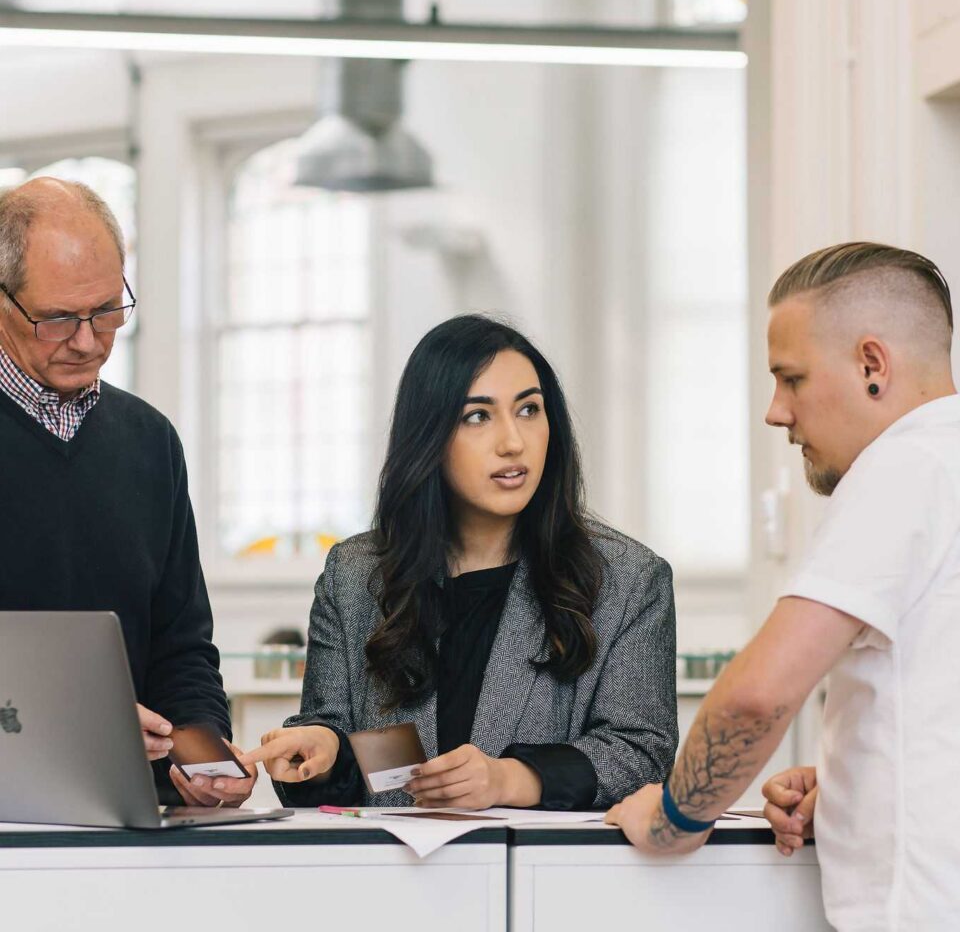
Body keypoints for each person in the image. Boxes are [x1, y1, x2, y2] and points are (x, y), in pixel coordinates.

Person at [605, 242, 960, 931]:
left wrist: (671, 821)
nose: (776, 411)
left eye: (791, 379)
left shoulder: (902, 467)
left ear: (871, 365)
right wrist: (854, 785)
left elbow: (757, 697)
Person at [243, 315, 677, 810]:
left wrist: (509, 779)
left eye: (529, 410)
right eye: (478, 416)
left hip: (533, 858)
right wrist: (320, 749)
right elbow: (340, 752)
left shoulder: (629, 580)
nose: (513, 442)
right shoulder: (355, 574)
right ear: (428, 435)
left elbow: (642, 753)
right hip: (386, 858)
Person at [0, 177, 255, 807]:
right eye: (58, 318)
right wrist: (75, 723)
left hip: (135, 817)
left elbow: (182, 646)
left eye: (108, 311)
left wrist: (206, 760)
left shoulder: (151, 442)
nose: (88, 340)